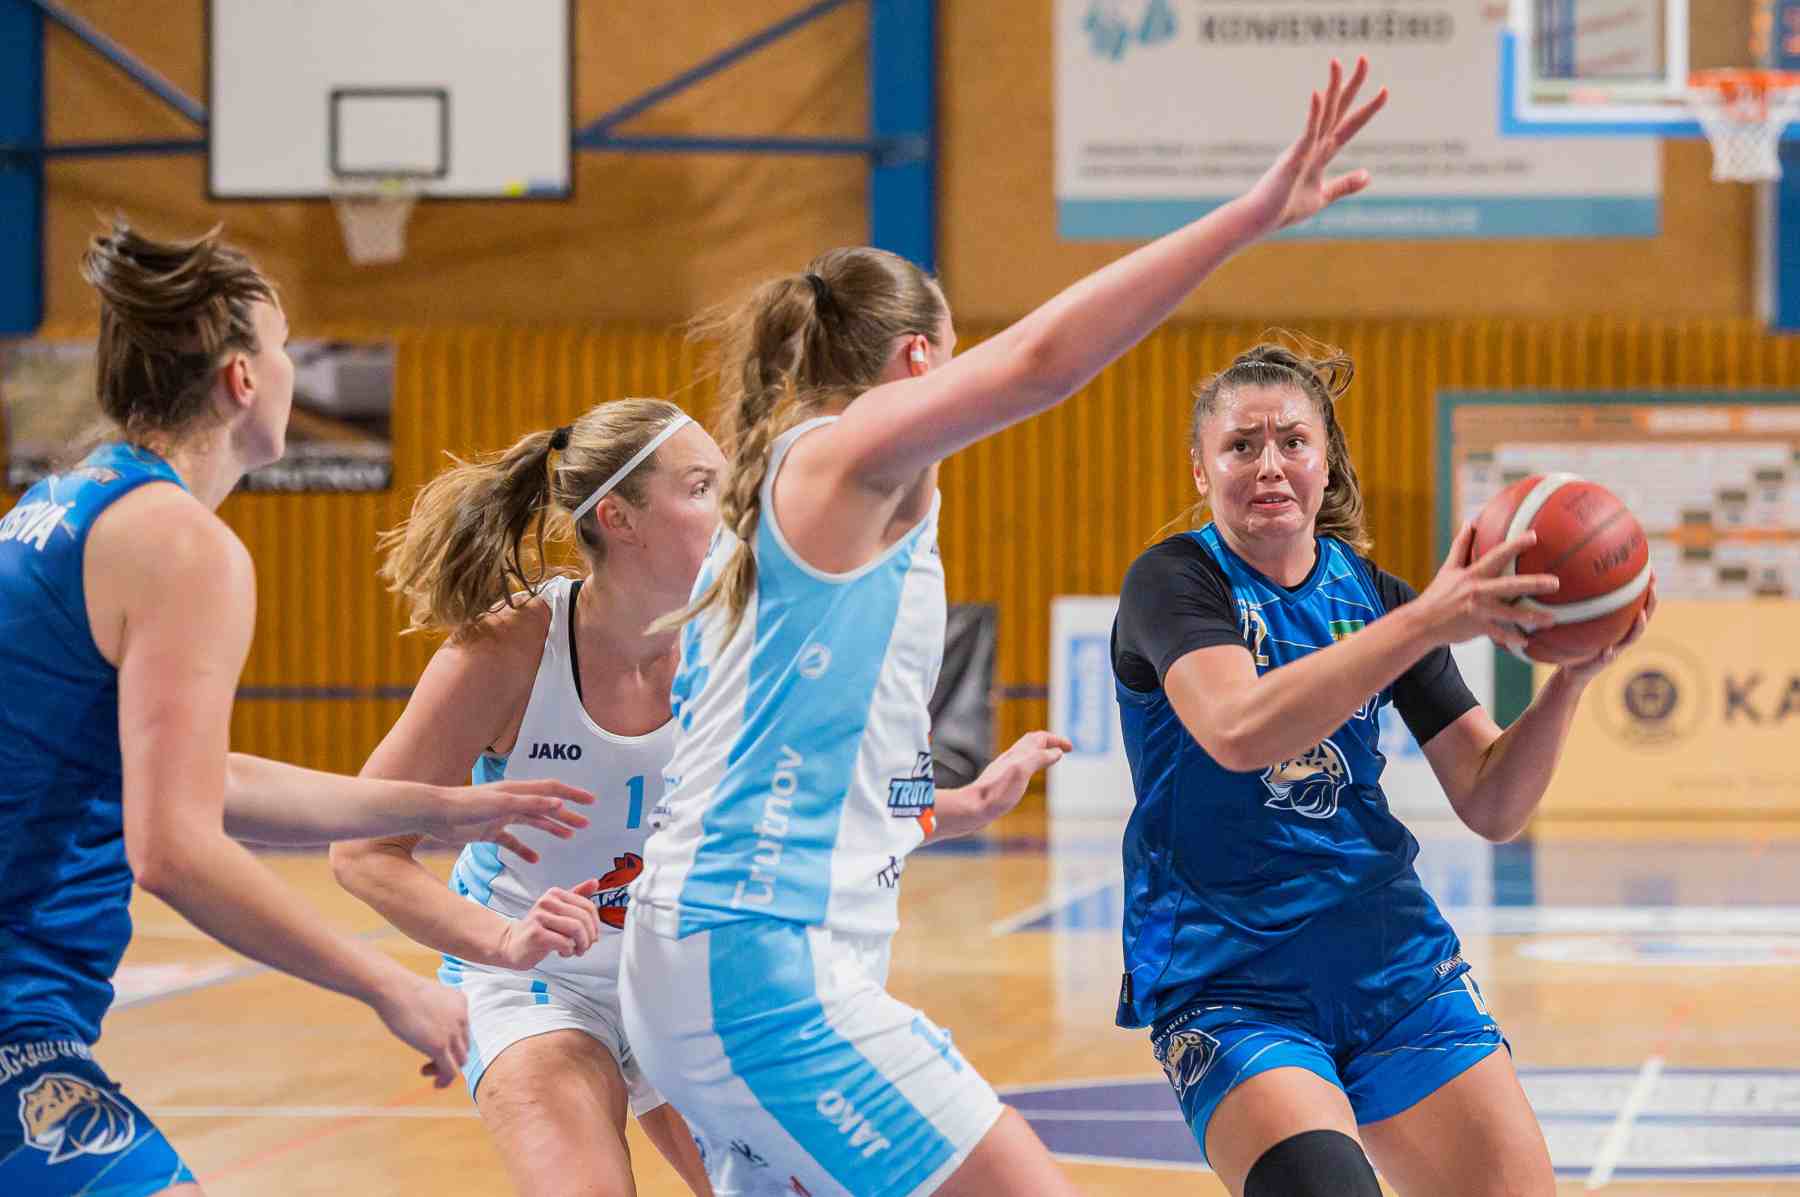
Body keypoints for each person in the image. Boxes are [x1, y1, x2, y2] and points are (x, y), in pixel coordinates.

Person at [620, 58, 1391, 1197]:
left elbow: (777, 751)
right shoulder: (840, 459)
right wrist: (1249, 216)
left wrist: (937, 809)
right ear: (920, 362)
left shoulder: (782, 498)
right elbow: (1040, 363)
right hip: (758, 962)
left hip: (715, 953)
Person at [0, 222, 592, 1197]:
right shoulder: (180, 545)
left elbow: (206, 779)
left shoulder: (69, 502)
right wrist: (387, 984)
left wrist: (438, 807)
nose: (288, 367)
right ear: (241, 378)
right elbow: (173, 847)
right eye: (282, 346)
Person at [1109, 338, 1656, 1197]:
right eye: (1241, 445)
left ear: (1325, 461)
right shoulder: (1174, 581)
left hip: (1395, 967)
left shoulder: (1375, 598)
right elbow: (1238, 730)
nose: (1269, 464)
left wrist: (1571, 681)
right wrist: (1428, 621)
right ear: (1200, 468)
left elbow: (1492, 800)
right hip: (1233, 979)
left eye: (1292, 441)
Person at [332, 401, 725, 1197]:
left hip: (682, 974)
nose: (734, 505)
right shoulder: (510, 647)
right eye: (701, 486)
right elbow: (362, 850)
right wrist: (505, 937)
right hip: (540, 982)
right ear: (620, 518)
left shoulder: (734, 638)